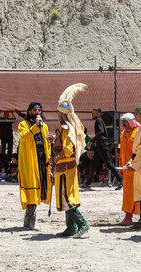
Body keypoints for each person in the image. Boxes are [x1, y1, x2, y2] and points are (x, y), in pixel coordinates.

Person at [52, 83, 91, 238]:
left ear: (62, 114)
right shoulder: (68, 128)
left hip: (65, 167)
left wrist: (56, 157)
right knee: (65, 196)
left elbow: (67, 150)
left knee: (67, 197)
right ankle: (71, 227)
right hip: (66, 167)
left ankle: (82, 224)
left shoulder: (66, 128)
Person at [18, 101, 52, 230]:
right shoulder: (23, 125)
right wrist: (35, 127)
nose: (37, 112)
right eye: (35, 110)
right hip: (29, 162)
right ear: (29, 112)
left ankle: (27, 219)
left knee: (39, 188)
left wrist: (51, 145)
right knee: (31, 188)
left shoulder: (45, 126)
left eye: (39, 110)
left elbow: (45, 144)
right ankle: (32, 220)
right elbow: (25, 137)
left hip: (42, 160)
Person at [85, 108, 122, 189]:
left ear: (99, 113)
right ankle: (87, 183)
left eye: (94, 113)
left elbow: (101, 132)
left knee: (108, 163)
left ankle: (120, 180)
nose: (92, 115)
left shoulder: (98, 120)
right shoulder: (100, 120)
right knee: (93, 163)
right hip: (100, 145)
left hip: (102, 145)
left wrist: (91, 141)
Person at [118, 113, 141, 225]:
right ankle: (128, 215)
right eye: (123, 121)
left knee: (140, 191)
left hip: (136, 168)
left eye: (126, 121)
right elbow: (121, 151)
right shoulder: (123, 133)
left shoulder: (138, 132)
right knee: (127, 193)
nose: (123, 123)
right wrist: (121, 167)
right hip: (126, 169)